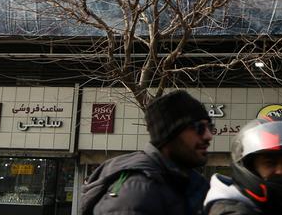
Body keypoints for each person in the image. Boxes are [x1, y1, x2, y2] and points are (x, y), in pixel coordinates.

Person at [81, 90, 213, 215]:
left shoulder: (189, 183)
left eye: (210, 127)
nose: (208, 136)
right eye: (198, 128)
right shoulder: (137, 193)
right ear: (169, 135)